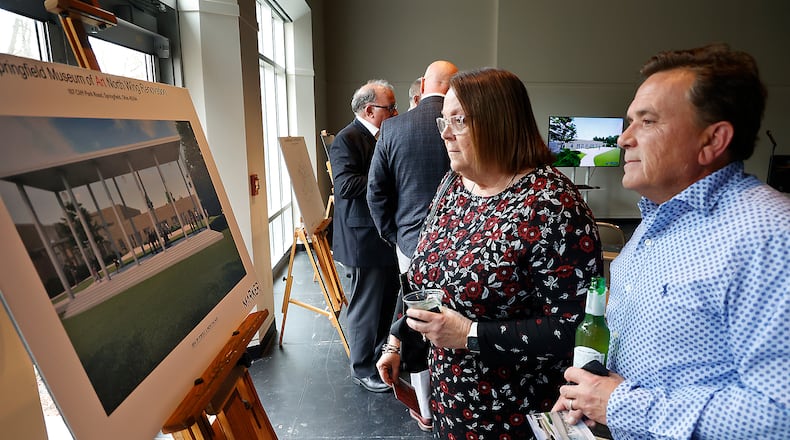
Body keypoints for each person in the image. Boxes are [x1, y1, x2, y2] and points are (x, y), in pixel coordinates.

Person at [554, 43, 790, 439]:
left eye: (647, 122)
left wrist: (621, 405)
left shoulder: (769, 237)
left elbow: (779, 413)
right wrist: (595, 395)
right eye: (630, 121)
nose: (624, 138)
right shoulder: (653, 222)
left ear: (712, 141)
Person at [376, 67, 602, 439]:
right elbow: (427, 277)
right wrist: (398, 339)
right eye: (443, 122)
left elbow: (572, 329)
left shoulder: (553, 205)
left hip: (518, 414)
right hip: (452, 403)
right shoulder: (455, 184)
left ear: (498, 123)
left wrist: (470, 334)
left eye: (459, 121)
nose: (446, 134)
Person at [367, 60, 458, 431]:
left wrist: (394, 235)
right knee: (456, 322)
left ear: (422, 84)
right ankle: (454, 397)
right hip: (463, 247)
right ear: (454, 87)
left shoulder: (392, 127)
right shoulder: (466, 125)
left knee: (418, 326)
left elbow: (376, 193)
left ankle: (425, 408)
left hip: (410, 247)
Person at [329, 79, 401, 393]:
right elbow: (345, 186)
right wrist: (386, 180)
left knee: (385, 304)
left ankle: (378, 360)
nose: (396, 112)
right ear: (370, 110)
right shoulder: (347, 139)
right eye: (390, 107)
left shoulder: (382, 135)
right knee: (365, 308)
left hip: (381, 236)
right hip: (362, 240)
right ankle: (362, 369)